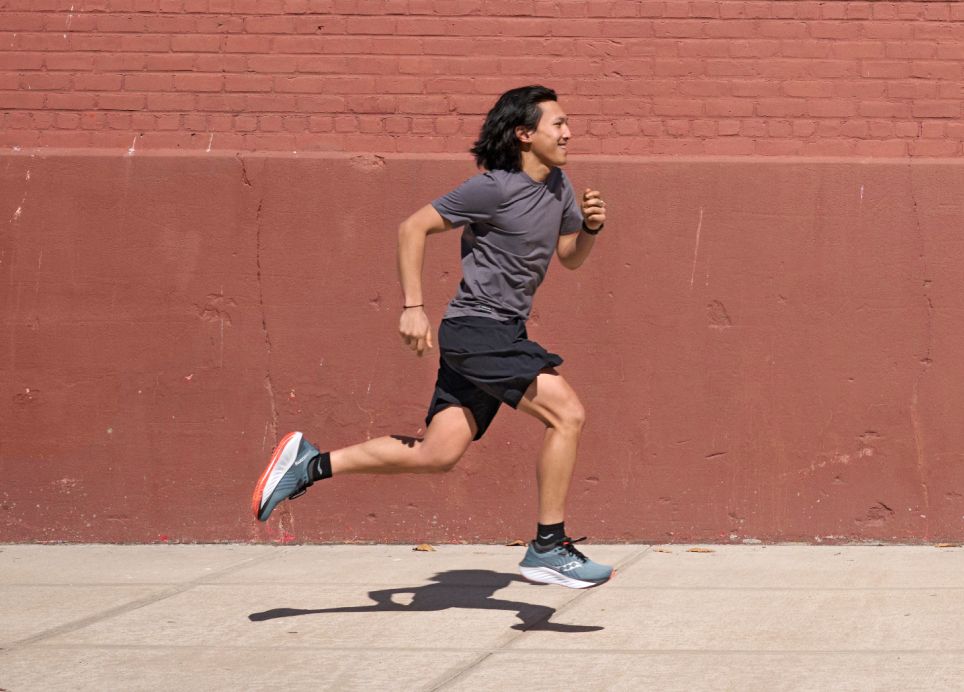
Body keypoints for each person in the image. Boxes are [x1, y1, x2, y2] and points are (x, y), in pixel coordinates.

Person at [252, 85, 612, 588]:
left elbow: (569, 257)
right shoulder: (493, 188)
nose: (569, 132)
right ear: (524, 134)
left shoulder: (559, 186)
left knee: (437, 453)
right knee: (567, 413)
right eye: (558, 124)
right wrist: (413, 307)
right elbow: (412, 228)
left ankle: (310, 464)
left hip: (499, 331)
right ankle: (549, 545)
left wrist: (590, 229)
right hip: (476, 331)